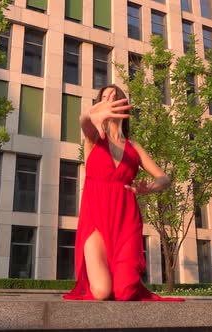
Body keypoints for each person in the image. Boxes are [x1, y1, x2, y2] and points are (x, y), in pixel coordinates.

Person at [63, 85, 184, 302]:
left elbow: (164, 178)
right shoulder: (93, 139)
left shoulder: (134, 147)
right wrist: (90, 114)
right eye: (104, 98)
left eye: (114, 97)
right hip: (95, 220)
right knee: (101, 292)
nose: (109, 100)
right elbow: (84, 123)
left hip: (126, 221)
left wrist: (151, 188)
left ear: (123, 104)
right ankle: (109, 276)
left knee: (125, 292)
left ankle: (122, 276)